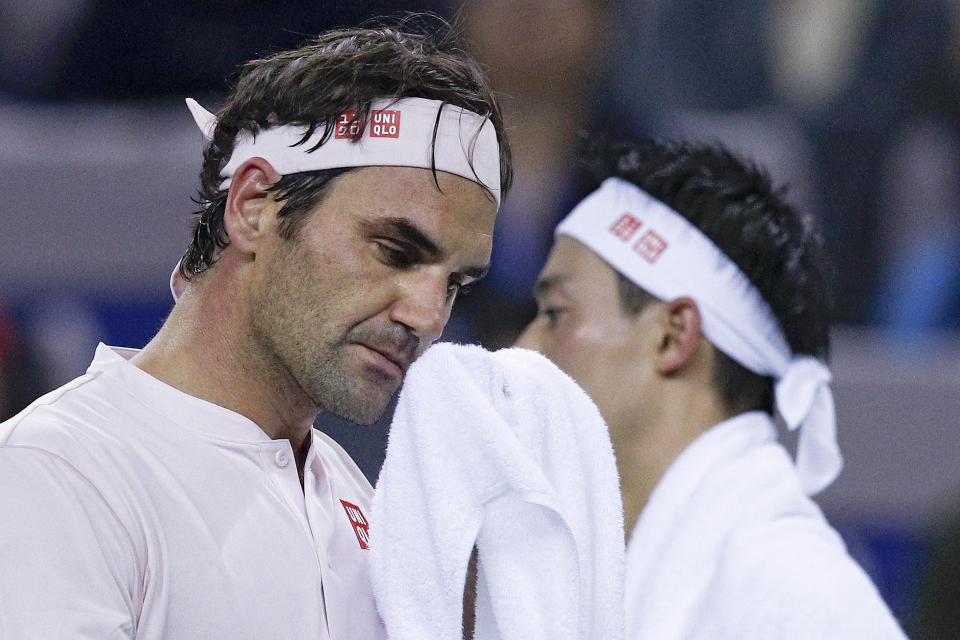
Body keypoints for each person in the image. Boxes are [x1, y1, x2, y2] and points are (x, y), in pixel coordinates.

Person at [0, 21, 511, 639]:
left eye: (454, 283)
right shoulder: (57, 473)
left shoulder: (357, 502)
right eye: (395, 251)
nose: (428, 317)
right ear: (252, 207)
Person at [516, 137, 907, 638]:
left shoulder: (799, 594)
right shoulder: (588, 574)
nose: (524, 349)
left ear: (673, 335)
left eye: (556, 314)